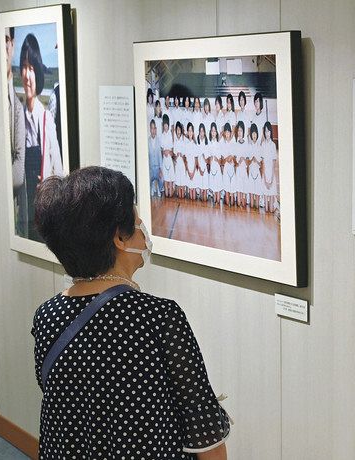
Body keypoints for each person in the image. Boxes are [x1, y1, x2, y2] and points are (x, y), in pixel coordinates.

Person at [32, 166, 230, 459]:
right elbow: (202, 429)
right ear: (119, 238)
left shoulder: (47, 316)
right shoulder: (158, 317)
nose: (143, 232)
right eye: (138, 223)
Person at [19, 33, 63, 241]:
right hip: (25, 204)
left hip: (43, 207)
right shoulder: (19, 117)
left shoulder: (45, 118)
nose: (27, 75)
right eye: (24, 67)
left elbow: (59, 171)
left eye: (32, 68)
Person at [5, 27, 27, 236]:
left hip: (9, 212)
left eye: (6, 40)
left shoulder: (17, 109)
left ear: (12, 44)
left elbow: (18, 173)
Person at [261, 121, 278, 212]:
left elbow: (273, 163)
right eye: (266, 131)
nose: (267, 133)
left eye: (268, 131)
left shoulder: (273, 145)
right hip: (265, 174)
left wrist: (270, 180)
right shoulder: (263, 144)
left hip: (271, 174)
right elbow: (263, 162)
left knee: (271, 210)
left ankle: (274, 204)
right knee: (266, 209)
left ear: (271, 132)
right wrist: (264, 179)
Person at [160, 114, 175, 197]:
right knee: (166, 179)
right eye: (164, 125)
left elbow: (172, 153)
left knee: (170, 179)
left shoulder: (170, 135)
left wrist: (169, 152)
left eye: (167, 125)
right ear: (163, 125)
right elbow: (161, 150)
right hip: (164, 161)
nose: (166, 127)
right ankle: (166, 191)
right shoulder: (162, 135)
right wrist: (164, 152)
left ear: (168, 125)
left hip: (169, 159)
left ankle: (171, 189)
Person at [148, 119, 163, 197]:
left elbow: (160, 156)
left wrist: (160, 169)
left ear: (156, 129)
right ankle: (152, 186)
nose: (153, 130)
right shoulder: (147, 141)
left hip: (157, 167)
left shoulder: (159, 140)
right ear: (150, 129)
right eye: (151, 128)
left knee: (162, 180)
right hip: (150, 168)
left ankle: (159, 189)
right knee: (148, 180)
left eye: (154, 128)